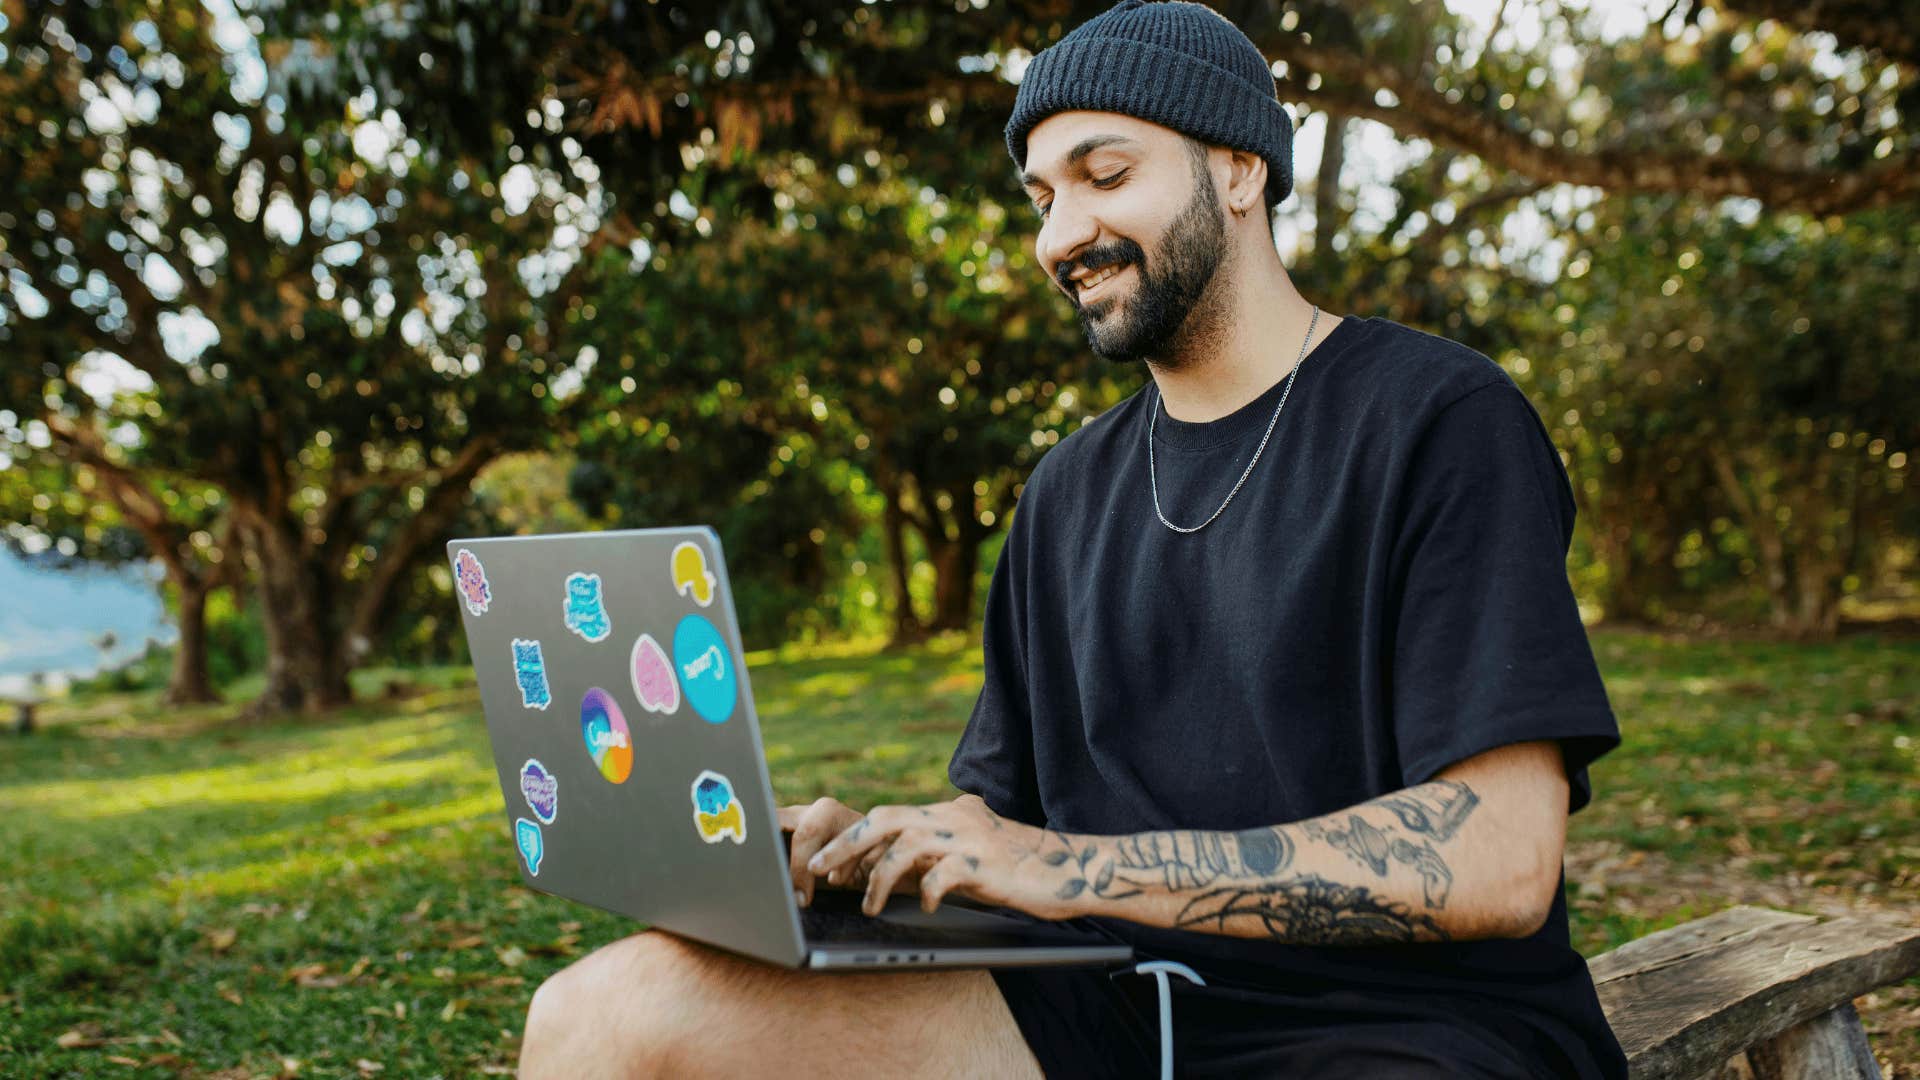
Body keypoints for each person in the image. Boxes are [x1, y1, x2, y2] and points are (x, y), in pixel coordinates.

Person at [518, 1, 1627, 1076]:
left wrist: (1066, 867)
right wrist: (878, 849)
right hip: (1103, 1005)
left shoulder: (1438, 419)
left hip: (1406, 1028)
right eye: (1041, 195)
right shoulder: (1064, 490)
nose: (1062, 235)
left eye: (1106, 176)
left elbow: (1499, 859)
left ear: (1240, 169)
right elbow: (1005, 820)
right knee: (599, 1017)